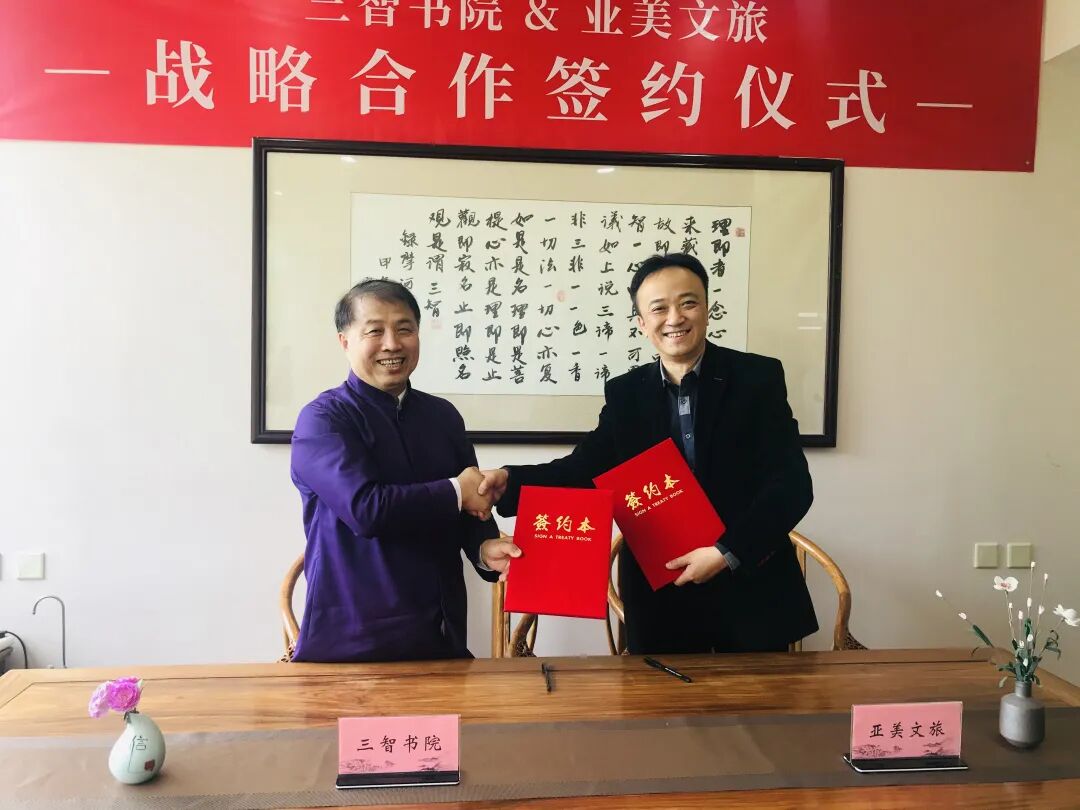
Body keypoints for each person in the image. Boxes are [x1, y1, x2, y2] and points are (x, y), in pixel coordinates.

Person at [480, 254, 817, 654]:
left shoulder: (757, 378)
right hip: (662, 598)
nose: (675, 318)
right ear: (641, 322)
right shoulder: (626, 394)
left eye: (688, 303)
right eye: (659, 308)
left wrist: (726, 552)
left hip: (752, 590)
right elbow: (585, 469)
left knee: (760, 698)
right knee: (658, 696)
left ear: (707, 309)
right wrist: (510, 481)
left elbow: (791, 484)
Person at [289, 279, 519, 662]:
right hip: (352, 645)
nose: (392, 344)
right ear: (345, 341)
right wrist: (457, 491)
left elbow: (471, 509)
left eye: (404, 329)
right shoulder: (323, 420)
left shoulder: (442, 416)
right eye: (375, 331)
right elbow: (366, 509)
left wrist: (483, 547)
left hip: (441, 638)